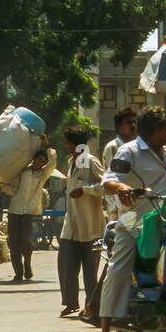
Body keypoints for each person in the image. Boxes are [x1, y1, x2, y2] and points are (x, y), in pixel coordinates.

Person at [97, 108, 166, 332]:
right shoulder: (128, 151)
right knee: (118, 268)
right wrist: (123, 187)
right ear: (153, 131)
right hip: (135, 218)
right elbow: (109, 180)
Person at [58, 125, 104, 317]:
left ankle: (92, 307)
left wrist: (85, 190)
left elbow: (105, 185)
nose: (65, 145)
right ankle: (70, 302)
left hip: (90, 226)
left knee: (90, 272)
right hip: (71, 225)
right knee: (66, 263)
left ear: (75, 144)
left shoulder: (90, 162)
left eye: (67, 142)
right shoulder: (71, 162)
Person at [6, 143, 57, 281]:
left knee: (25, 240)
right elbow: (11, 188)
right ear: (34, 159)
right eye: (39, 159)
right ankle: (18, 272)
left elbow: (53, 163)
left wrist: (47, 145)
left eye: (43, 161)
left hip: (29, 210)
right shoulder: (22, 172)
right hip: (15, 209)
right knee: (13, 243)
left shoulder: (42, 175)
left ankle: (27, 264)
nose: (41, 163)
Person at [101, 107, 139, 221]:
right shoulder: (113, 147)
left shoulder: (138, 147)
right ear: (119, 127)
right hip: (118, 210)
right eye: (128, 122)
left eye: (134, 122)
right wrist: (114, 211)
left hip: (137, 206)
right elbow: (111, 180)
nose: (133, 125)